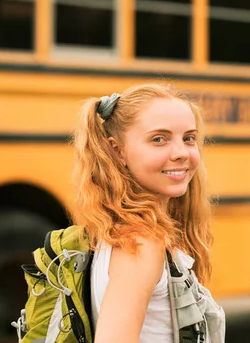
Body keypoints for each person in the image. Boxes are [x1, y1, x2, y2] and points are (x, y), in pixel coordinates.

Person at [68, 83, 225, 343]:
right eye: (158, 139)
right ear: (117, 151)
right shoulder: (141, 243)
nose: (181, 153)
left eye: (188, 138)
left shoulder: (121, 232)